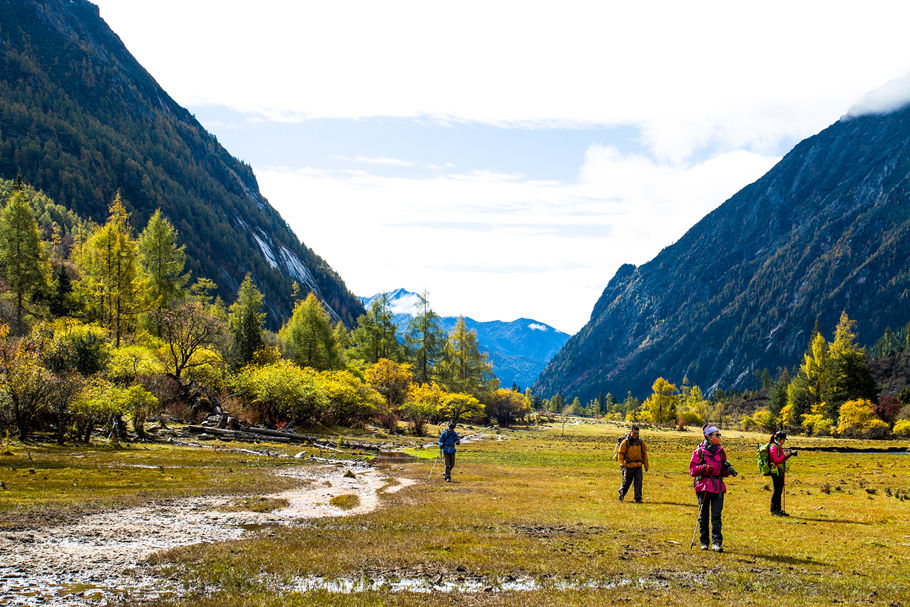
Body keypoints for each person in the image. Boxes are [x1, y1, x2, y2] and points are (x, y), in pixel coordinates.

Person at [689, 424, 737, 552]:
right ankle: (704, 542)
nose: (719, 437)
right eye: (717, 435)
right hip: (703, 487)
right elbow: (692, 470)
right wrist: (703, 468)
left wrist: (726, 470)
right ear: (709, 437)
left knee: (716, 516)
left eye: (719, 435)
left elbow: (722, 472)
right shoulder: (698, 452)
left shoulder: (721, 452)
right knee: (703, 516)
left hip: (718, 488)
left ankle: (717, 543)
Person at [618, 425, 649, 502]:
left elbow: (644, 454)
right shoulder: (625, 442)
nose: (636, 435)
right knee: (627, 482)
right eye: (634, 433)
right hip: (628, 466)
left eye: (637, 433)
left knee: (638, 482)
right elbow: (621, 453)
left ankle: (638, 498)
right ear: (631, 432)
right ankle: (622, 493)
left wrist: (646, 466)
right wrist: (621, 463)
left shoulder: (641, 443)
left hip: (638, 465)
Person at [769, 430, 796, 516]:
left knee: (779, 491)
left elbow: (781, 459)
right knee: (777, 491)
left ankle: (778, 510)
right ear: (779, 439)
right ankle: (774, 510)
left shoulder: (777, 446)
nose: (784, 441)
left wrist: (788, 455)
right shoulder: (773, 447)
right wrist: (785, 455)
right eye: (783, 439)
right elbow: (776, 460)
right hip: (775, 471)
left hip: (779, 470)